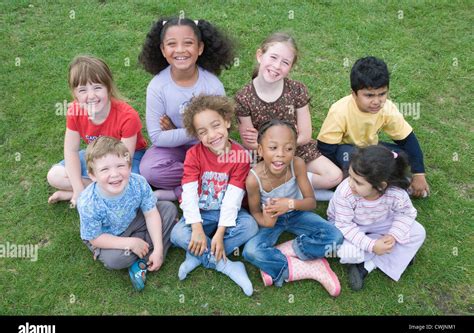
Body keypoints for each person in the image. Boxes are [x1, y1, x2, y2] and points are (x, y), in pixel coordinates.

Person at [235, 32, 342, 201]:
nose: (277, 66)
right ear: (259, 56)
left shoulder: (296, 90)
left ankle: (293, 188)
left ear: (290, 67)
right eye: (273, 57)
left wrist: (284, 146)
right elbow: (249, 143)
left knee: (334, 176)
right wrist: (272, 148)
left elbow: (305, 135)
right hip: (264, 154)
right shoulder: (244, 97)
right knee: (251, 183)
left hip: (297, 148)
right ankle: (302, 189)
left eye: (285, 62)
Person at [242, 119, 344, 297]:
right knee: (250, 251)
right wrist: (266, 221)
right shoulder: (253, 179)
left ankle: (280, 257)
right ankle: (311, 267)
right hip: (272, 220)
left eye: (288, 148)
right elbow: (255, 212)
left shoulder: (297, 164)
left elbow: (311, 202)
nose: (281, 154)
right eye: (273, 148)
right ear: (260, 150)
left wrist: (289, 204)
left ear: (294, 150)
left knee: (335, 237)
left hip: (297, 213)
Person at [170, 95, 258, 297]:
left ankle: (197, 253)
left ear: (227, 121)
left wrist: (220, 232)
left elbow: (233, 199)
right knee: (177, 234)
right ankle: (226, 265)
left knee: (250, 226)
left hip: (227, 214)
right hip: (200, 214)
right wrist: (197, 228)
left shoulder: (240, 156)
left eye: (215, 125)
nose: (212, 135)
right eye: (203, 132)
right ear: (197, 135)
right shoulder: (194, 154)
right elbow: (189, 193)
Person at [138, 17, 235, 201]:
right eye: (172, 44)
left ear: (200, 48)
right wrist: (197, 131)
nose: (180, 50)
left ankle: (178, 192)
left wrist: (178, 131)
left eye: (188, 43)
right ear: (162, 50)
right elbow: (158, 136)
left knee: (237, 161)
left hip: (209, 145)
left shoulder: (212, 85)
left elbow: (220, 129)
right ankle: (206, 180)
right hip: (173, 148)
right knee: (150, 170)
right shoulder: (157, 86)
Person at [317, 56, 430, 198]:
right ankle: (353, 186)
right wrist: (338, 174)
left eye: (382, 94)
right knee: (348, 158)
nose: (377, 101)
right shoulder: (339, 111)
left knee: (403, 155)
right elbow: (326, 149)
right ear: (354, 94)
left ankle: (381, 183)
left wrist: (419, 173)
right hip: (345, 151)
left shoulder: (387, 108)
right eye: (369, 95)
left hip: (370, 149)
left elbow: (408, 140)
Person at [77, 137, 178, 291]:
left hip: (134, 219)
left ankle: (148, 256)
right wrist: (129, 243)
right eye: (105, 169)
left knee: (168, 210)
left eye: (120, 166)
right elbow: (95, 238)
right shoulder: (88, 203)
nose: (115, 174)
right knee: (116, 260)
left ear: (129, 166)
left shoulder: (138, 183)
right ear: (92, 175)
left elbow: (151, 214)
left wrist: (158, 249)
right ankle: (156, 242)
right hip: (108, 236)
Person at [47, 55, 147, 206]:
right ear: (74, 94)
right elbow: (71, 151)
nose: (91, 96)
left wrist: (103, 176)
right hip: (95, 155)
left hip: (127, 160)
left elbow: (124, 161)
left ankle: (79, 193)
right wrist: (78, 188)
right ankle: (85, 192)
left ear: (108, 88)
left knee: (129, 184)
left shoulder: (127, 116)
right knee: (54, 175)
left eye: (97, 87)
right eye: (82, 90)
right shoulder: (74, 111)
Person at [327, 145, 426, 291]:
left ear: (381, 186)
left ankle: (366, 266)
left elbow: (406, 213)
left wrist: (393, 235)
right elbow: (344, 225)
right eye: (350, 176)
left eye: (358, 182)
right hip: (349, 226)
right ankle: (392, 253)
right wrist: (372, 245)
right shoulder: (345, 192)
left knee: (418, 232)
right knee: (343, 251)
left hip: (380, 222)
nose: (350, 184)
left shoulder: (396, 193)